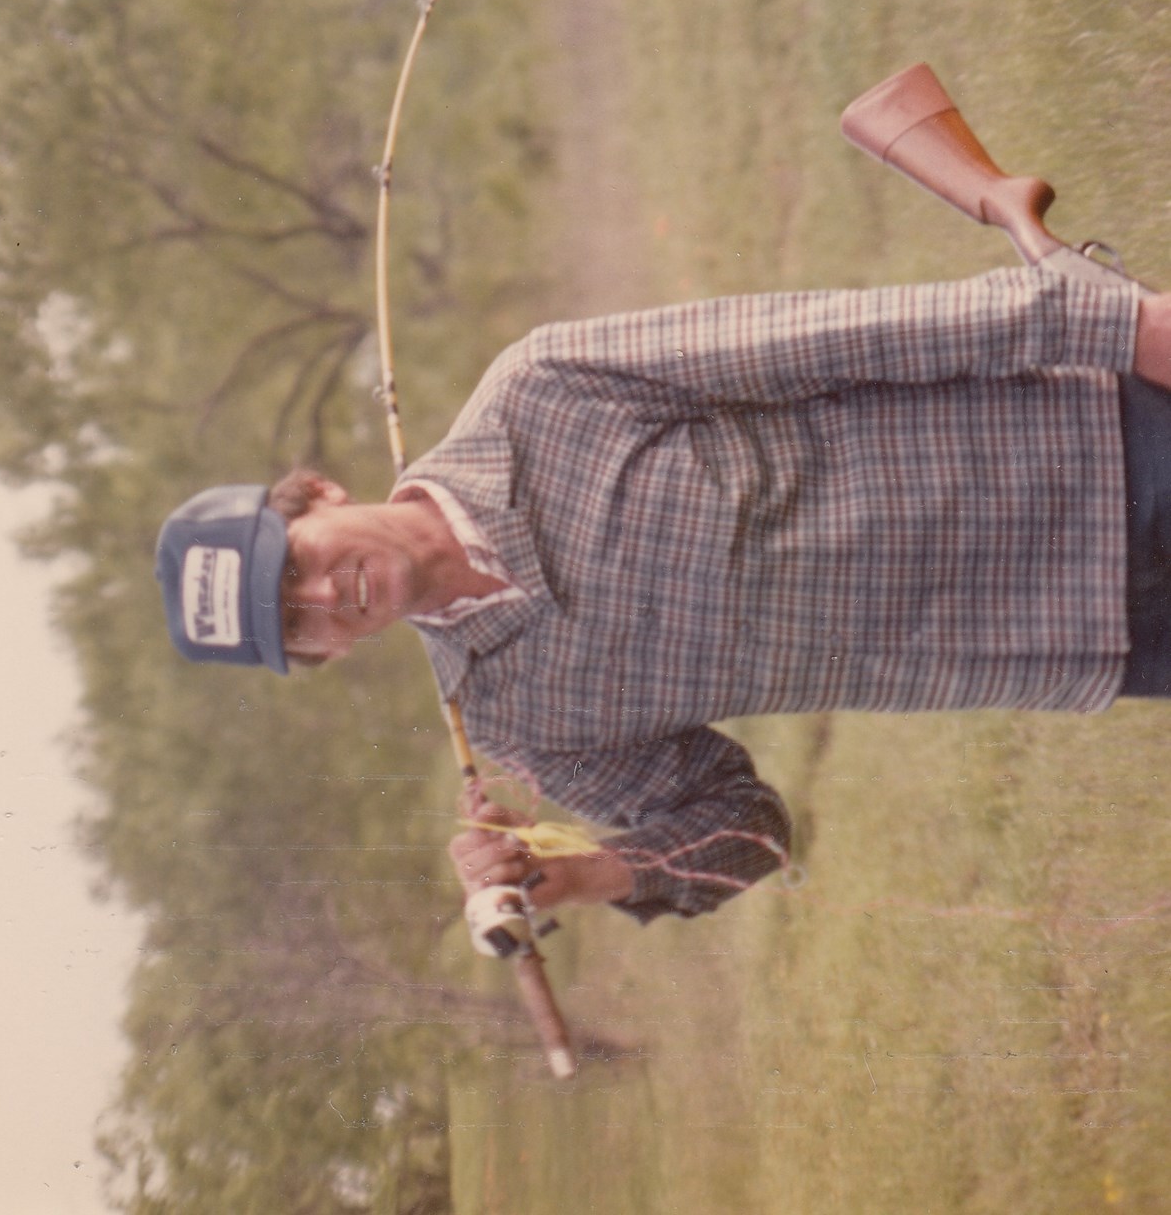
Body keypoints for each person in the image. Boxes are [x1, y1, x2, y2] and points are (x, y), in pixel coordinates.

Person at [156, 265, 1171, 924]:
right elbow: (751, 831)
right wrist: (588, 874)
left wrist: (1122, 325)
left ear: (318, 495)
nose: (321, 594)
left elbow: (840, 334)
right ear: (327, 655)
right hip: (1087, 637)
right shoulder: (514, 721)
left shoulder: (540, 390)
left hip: (1102, 446)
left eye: (293, 562)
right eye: (295, 623)